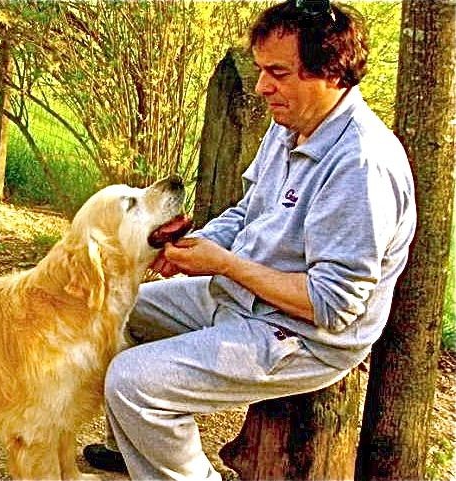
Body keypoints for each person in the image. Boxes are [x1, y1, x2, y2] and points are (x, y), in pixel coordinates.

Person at [84, 0, 416, 479]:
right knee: (115, 307)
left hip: (302, 335)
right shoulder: (292, 125)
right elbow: (247, 213)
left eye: (278, 73)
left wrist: (224, 264)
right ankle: (138, 449)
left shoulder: (361, 166)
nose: (262, 87)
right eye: (261, 70)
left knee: (133, 382)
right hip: (242, 293)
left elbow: (332, 307)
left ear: (331, 73)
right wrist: (193, 247)